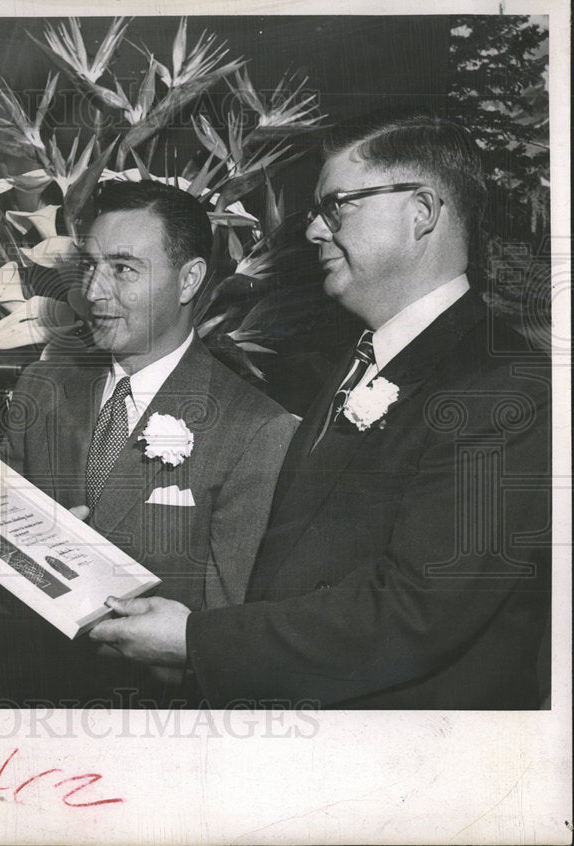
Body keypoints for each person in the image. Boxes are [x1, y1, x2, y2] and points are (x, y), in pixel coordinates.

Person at [90, 112, 552, 709]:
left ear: (422, 213)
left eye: (338, 206)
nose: (313, 231)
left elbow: (415, 614)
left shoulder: (506, 388)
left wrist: (194, 640)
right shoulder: (352, 360)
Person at [0, 180, 296, 705]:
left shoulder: (256, 430)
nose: (93, 292)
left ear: (189, 279)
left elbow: (229, 636)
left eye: (124, 269)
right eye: (90, 266)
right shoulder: (42, 388)